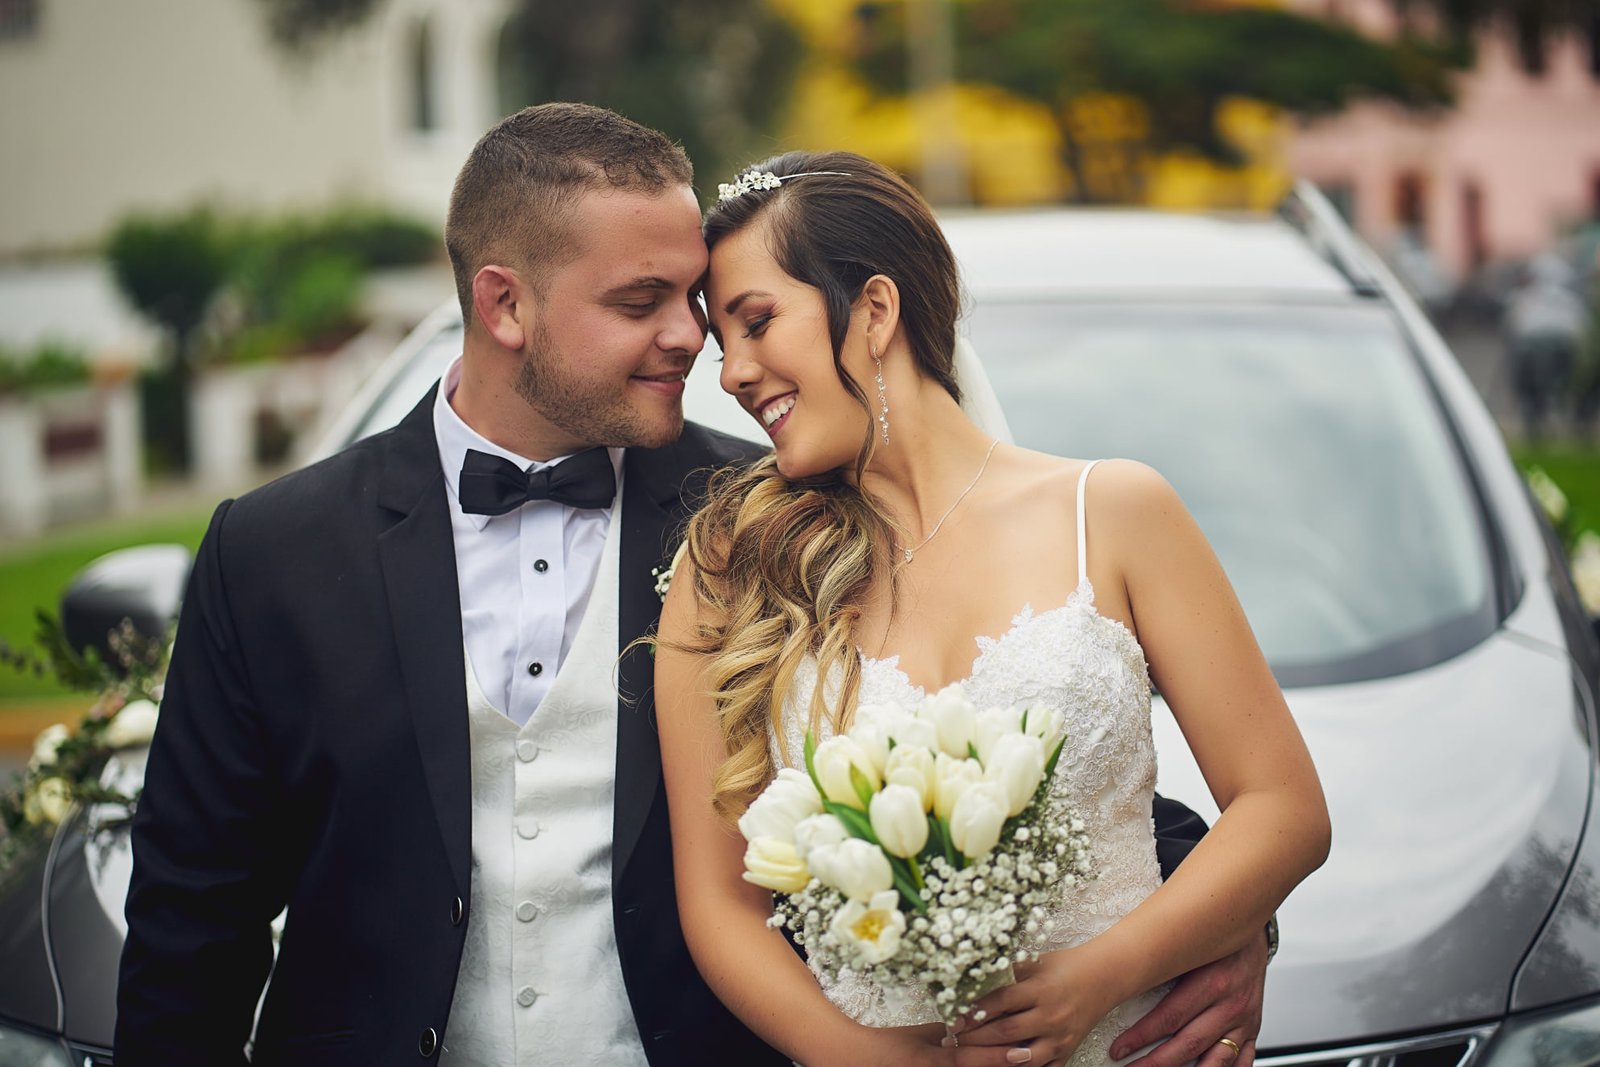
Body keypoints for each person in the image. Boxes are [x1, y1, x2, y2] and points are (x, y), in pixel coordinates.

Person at [114, 102, 780, 1067]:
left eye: (696, 299)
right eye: (641, 303)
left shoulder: (760, 518)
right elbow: (193, 917)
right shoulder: (270, 550)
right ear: (504, 304)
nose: (691, 336)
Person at [653, 151, 1331, 1067]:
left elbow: (1283, 808)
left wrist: (1101, 975)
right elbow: (720, 905)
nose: (732, 373)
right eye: (724, 341)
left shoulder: (1115, 513)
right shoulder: (731, 566)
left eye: (758, 322)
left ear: (877, 311)